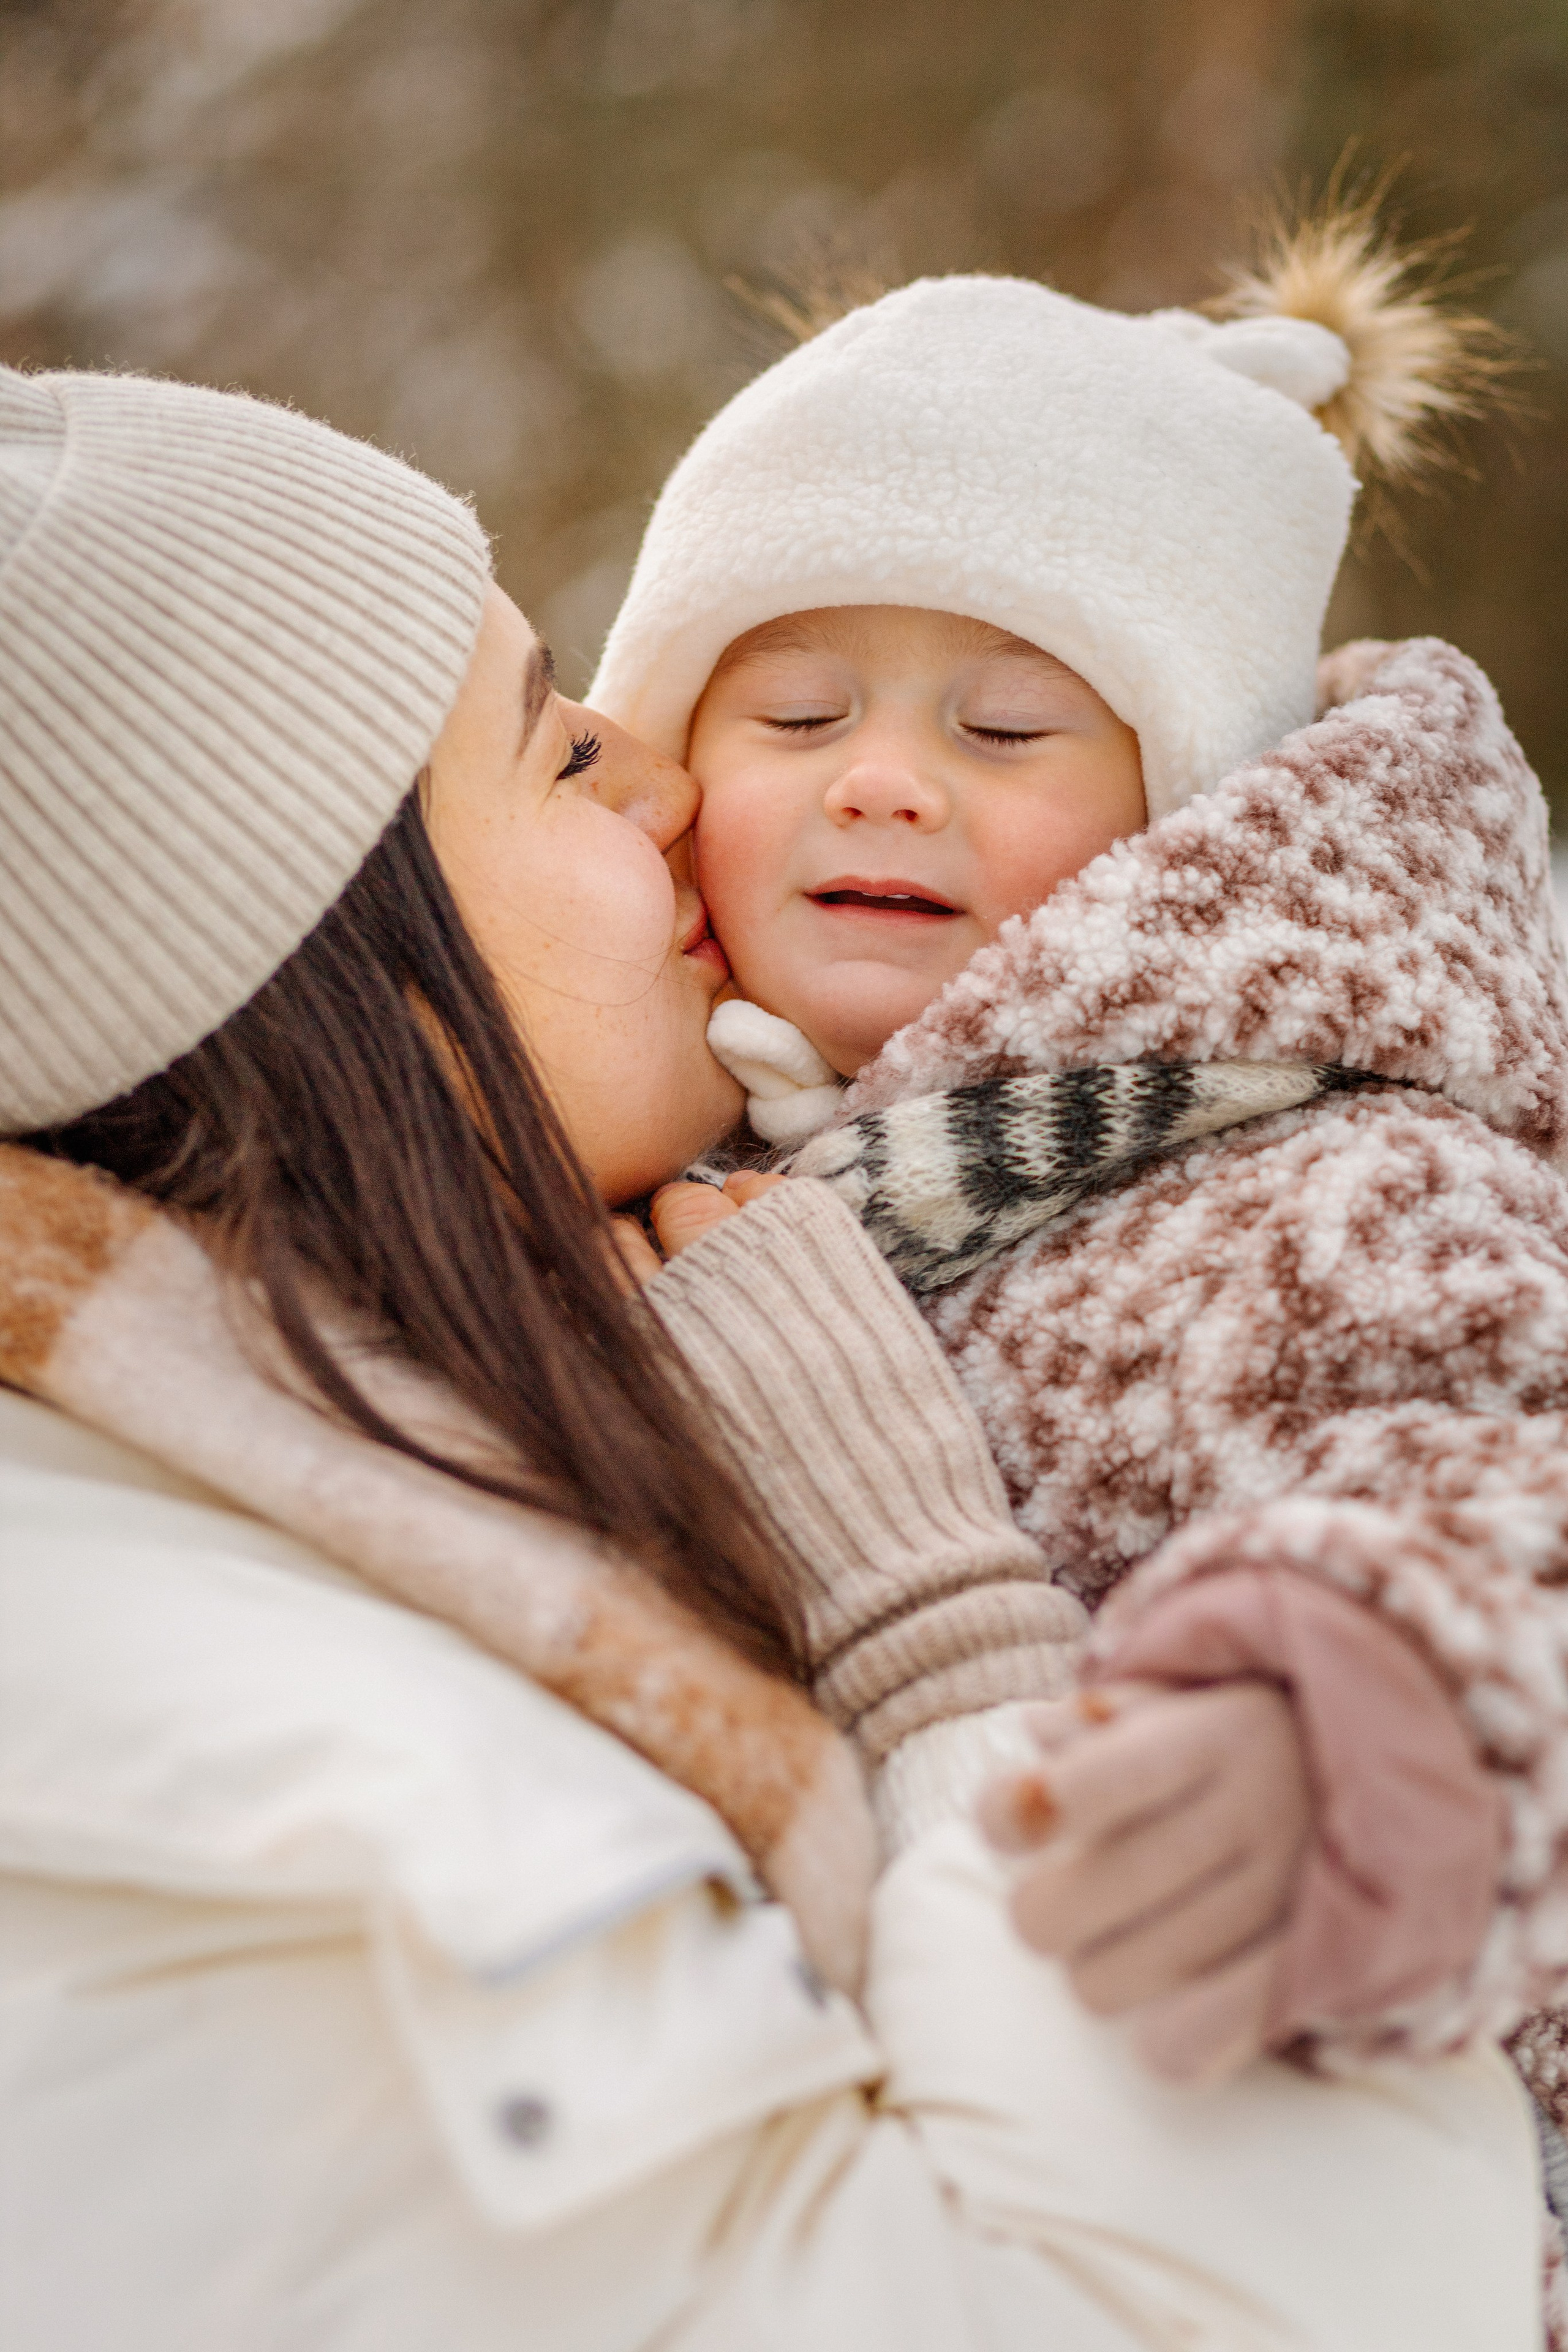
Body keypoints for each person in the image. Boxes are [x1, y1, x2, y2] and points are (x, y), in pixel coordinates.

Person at [0, 358, 1545, 2352]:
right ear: (325, 952)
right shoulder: (242, 1760)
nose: (664, 786)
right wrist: (936, 1628)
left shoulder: (380, 1426)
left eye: (1007, 725)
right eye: (563, 752)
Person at [588, 193, 1568, 2117]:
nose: (886, 777)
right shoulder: (672, 1128)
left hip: (1353, 2120)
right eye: (798, 711)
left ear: (1181, 816)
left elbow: (1509, 1481)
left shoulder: (1322, 1174)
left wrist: (1358, 1726)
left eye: (1009, 725)